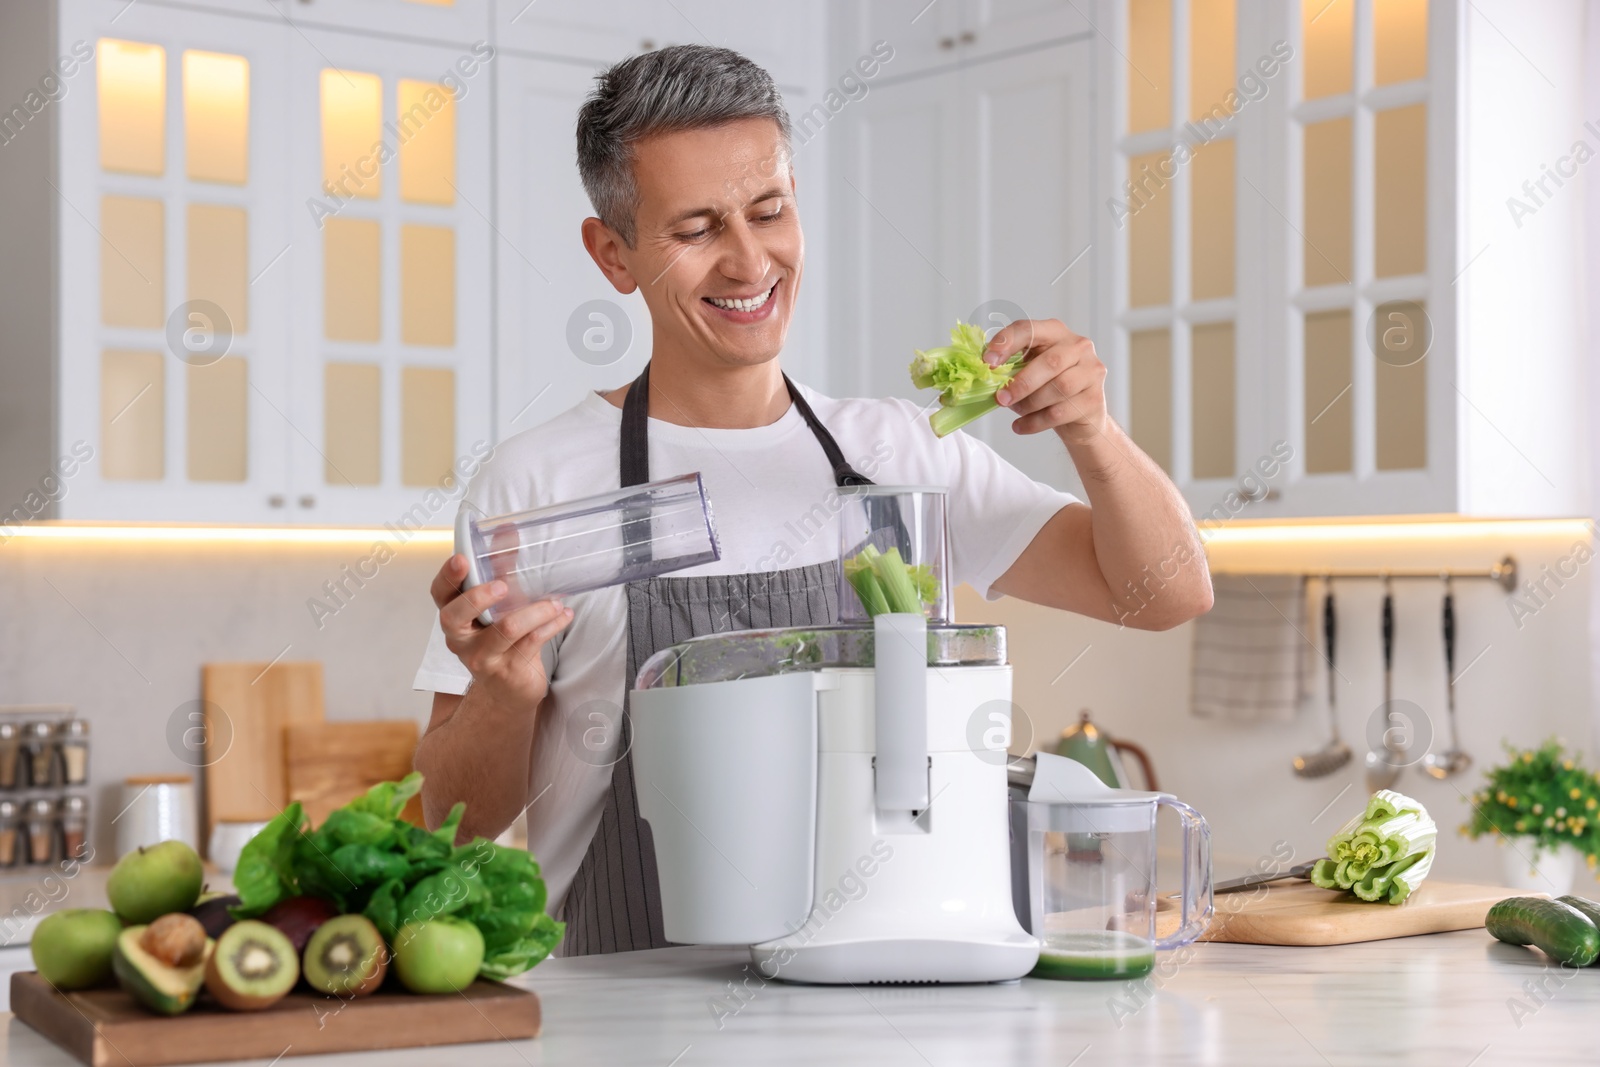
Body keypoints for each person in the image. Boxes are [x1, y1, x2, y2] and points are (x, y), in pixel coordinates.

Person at [412, 45, 1211, 956]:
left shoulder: (903, 454)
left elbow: (1167, 594)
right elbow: (455, 826)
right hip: (634, 1014)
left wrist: (1091, 432)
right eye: (696, 229)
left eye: (770, 211)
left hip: (892, 993)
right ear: (615, 254)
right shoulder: (541, 483)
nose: (749, 260)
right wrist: (505, 695)